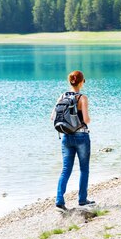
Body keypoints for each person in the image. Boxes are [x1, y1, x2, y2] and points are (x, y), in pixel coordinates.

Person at [52, 70, 95, 211]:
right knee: (84, 169)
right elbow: (87, 119)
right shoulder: (82, 98)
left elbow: (52, 117)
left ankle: (59, 201)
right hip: (81, 136)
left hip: (65, 136)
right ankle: (82, 200)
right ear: (81, 82)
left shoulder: (62, 96)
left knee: (65, 170)